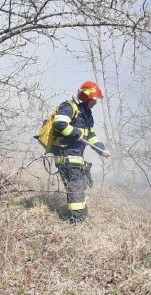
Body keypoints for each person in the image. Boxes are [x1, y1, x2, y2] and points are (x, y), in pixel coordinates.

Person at [50, 81, 110, 223]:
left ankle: (79, 217)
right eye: (93, 100)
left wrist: (101, 150)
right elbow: (59, 123)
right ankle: (77, 221)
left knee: (80, 186)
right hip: (66, 156)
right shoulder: (68, 107)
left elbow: (91, 136)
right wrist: (76, 133)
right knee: (76, 187)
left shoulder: (86, 114)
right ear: (85, 97)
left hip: (76, 157)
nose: (95, 103)